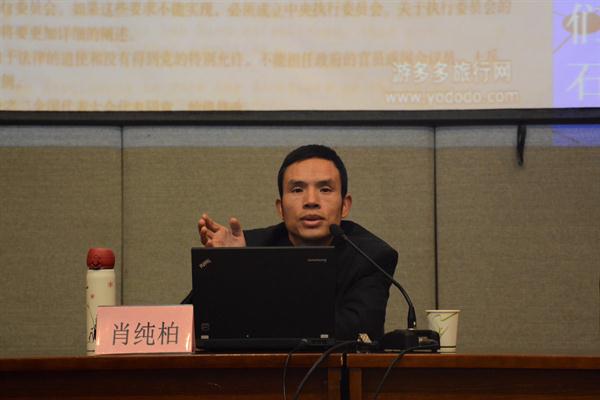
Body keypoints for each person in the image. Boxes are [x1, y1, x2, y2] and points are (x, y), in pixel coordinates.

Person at [186, 144, 397, 340]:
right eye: (297, 190)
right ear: (280, 208)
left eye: (325, 189)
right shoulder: (248, 248)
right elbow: (185, 325)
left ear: (345, 206)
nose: (311, 201)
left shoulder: (371, 256)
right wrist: (228, 268)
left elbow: (360, 331)